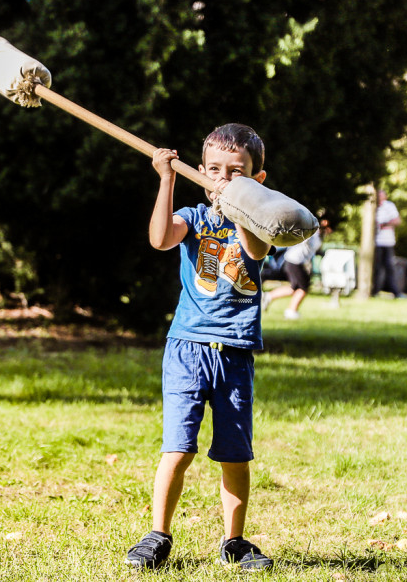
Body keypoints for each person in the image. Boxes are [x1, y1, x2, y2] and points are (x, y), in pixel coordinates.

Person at [125, 123, 273, 572]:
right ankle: (158, 534)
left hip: (234, 353)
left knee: (234, 452)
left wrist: (242, 205)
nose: (223, 179)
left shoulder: (262, 221)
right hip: (187, 348)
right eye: (214, 170)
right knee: (179, 447)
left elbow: (255, 249)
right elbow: (159, 237)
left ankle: (235, 541)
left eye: (237, 172)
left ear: (257, 180)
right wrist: (166, 179)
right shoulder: (194, 216)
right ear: (201, 171)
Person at [263, 218, 330, 319]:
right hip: (294, 260)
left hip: (298, 262)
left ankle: (268, 297)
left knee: (295, 287)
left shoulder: (319, 237)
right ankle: (291, 311)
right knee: (303, 287)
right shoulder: (312, 232)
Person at [372, 189, 402, 298]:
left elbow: (397, 220)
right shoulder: (373, 207)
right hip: (377, 242)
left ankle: (395, 291)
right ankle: (374, 290)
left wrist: (385, 224)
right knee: (377, 267)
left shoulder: (389, 206)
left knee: (390, 267)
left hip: (388, 242)